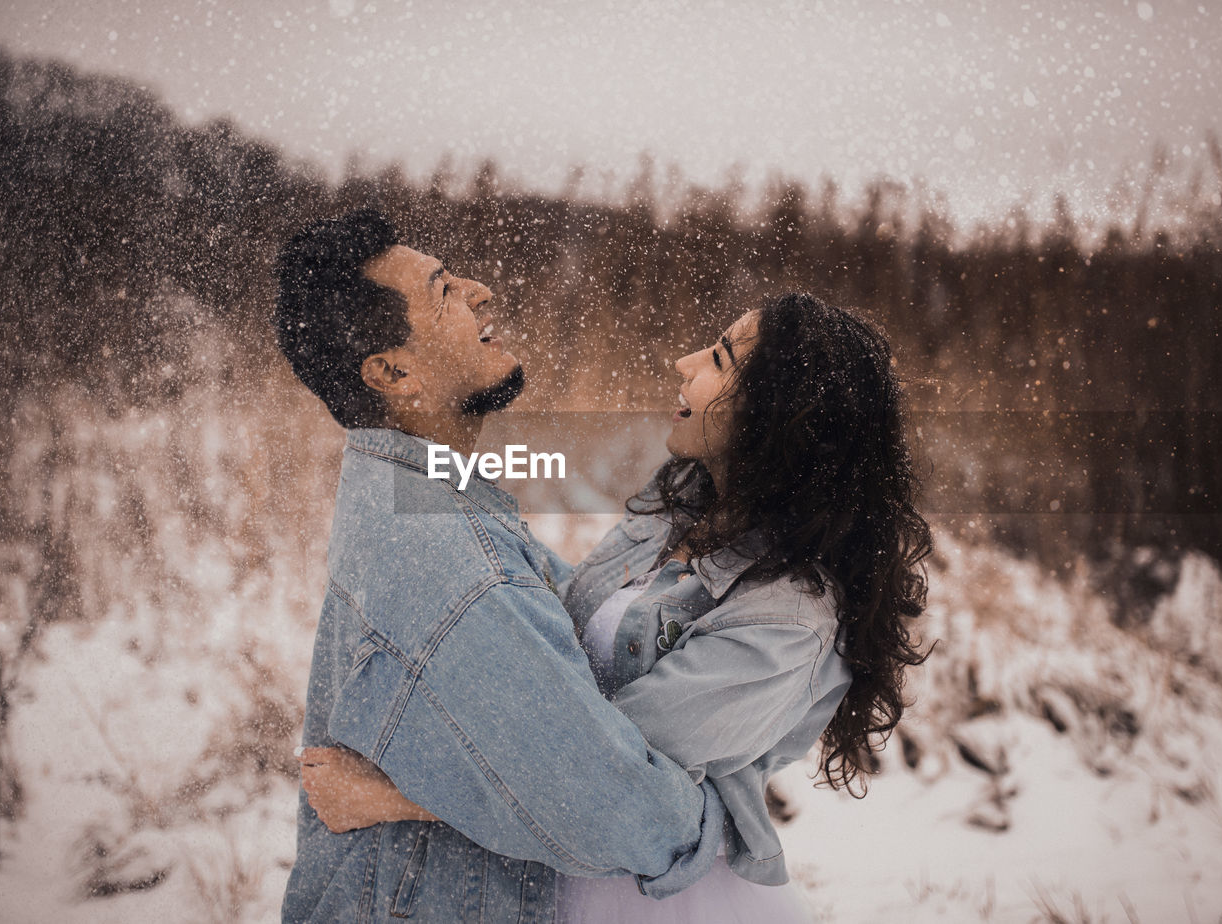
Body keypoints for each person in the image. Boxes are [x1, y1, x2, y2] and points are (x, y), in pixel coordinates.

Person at [300, 292, 934, 922]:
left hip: (665, 898)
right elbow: (561, 616)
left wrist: (395, 795)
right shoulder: (683, 515)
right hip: (564, 880)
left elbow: (595, 778)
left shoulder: (788, 619)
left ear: (779, 414)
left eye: (718, 357)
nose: (684, 361)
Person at [274, 208, 728, 924]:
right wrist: (727, 815)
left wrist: (415, 799)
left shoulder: (414, 500)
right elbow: (621, 814)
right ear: (394, 371)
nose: (482, 290)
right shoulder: (454, 566)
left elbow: (578, 642)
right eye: (445, 290)